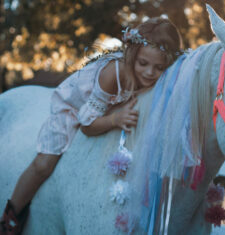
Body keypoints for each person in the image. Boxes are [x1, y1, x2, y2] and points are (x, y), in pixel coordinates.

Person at [0, 17, 182, 234]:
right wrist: (115, 120)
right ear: (133, 55)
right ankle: (11, 216)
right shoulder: (113, 73)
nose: (150, 73)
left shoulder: (155, 79)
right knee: (44, 163)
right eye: (143, 63)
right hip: (75, 107)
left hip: (107, 107)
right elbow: (86, 124)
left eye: (159, 67)